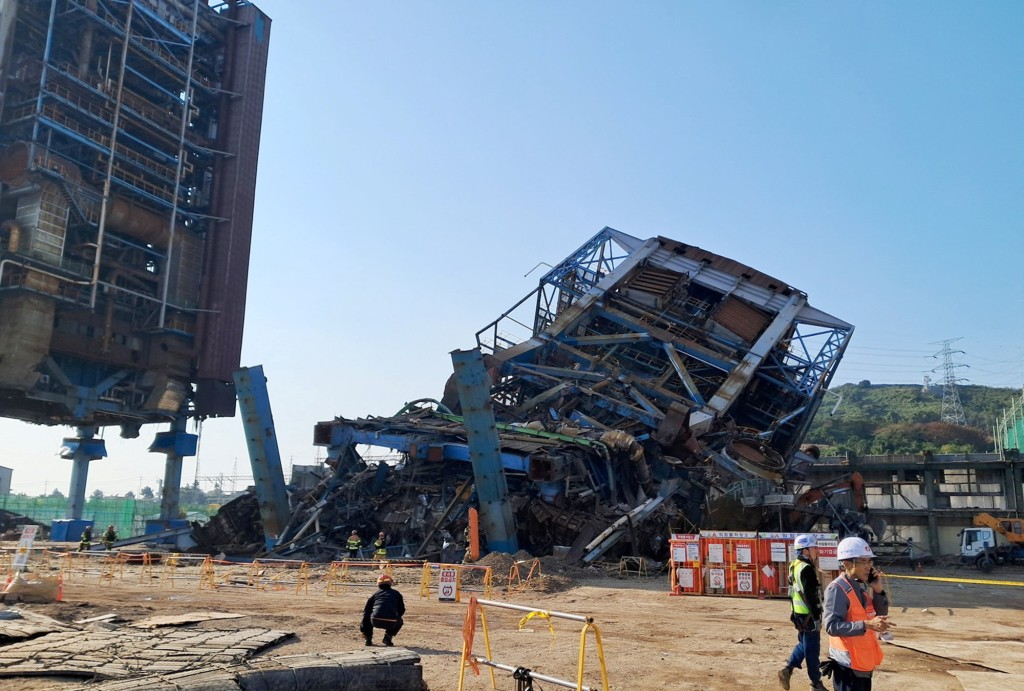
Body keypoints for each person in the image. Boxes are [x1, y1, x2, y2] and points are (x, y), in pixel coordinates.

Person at [822, 536, 894, 691]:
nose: (869, 567)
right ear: (847, 564)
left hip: (862, 663)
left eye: (870, 562)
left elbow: (878, 614)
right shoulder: (837, 589)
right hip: (847, 667)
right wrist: (867, 625)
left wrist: (878, 590)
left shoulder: (860, 589)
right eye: (863, 562)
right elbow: (831, 626)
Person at [778, 534, 826, 691]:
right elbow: (812, 596)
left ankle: (788, 669)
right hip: (809, 616)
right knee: (812, 651)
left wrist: (793, 613)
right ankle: (816, 684)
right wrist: (818, 616)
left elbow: (793, 591)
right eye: (814, 548)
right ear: (806, 550)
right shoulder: (807, 569)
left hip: (799, 614)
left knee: (803, 644)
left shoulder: (794, 565)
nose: (816, 551)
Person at [360, 573, 405, 646]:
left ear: (378, 584)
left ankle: (368, 639)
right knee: (400, 621)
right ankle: (388, 638)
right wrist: (395, 616)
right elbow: (402, 610)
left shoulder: (375, 594)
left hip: (375, 620)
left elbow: (366, 611)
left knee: (367, 617)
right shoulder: (397, 594)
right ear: (390, 583)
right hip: (391, 622)